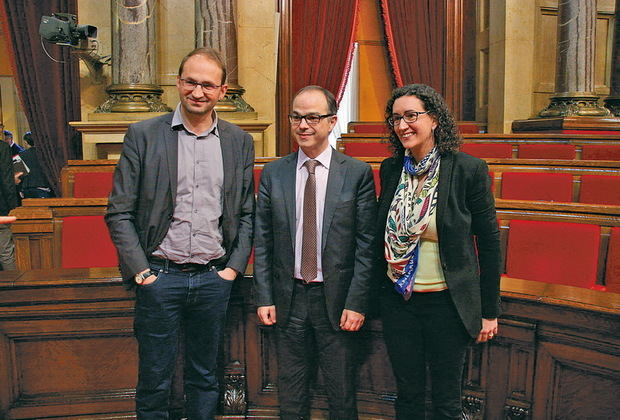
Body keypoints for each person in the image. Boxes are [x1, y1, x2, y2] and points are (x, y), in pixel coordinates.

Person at [105, 47, 255, 420]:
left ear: (222, 91)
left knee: (205, 377)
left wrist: (232, 270)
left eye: (208, 84)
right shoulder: (143, 135)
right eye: (191, 82)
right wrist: (143, 272)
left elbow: (248, 213)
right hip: (160, 277)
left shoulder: (238, 141)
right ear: (178, 82)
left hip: (213, 279)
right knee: (154, 380)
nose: (198, 92)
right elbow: (119, 212)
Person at [376, 84, 501, 419]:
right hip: (399, 303)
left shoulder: (466, 170)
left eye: (411, 116)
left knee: (447, 401)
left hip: (447, 304)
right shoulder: (392, 169)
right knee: (408, 396)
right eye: (395, 119)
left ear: (434, 119)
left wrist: (489, 310)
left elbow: (488, 244)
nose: (402, 125)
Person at [253, 85, 377, 420]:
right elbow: (262, 240)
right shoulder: (274, 173)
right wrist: (264, 296)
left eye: (312, 117)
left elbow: (367, 246)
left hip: (335, 302)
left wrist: (356, 302)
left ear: (332, 121)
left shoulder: (356, 173)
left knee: (340, 393)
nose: (303, 125)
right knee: (291, 393)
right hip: (289, 297)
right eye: (296, 117)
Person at [0, 141, 18, 270]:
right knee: (6, 252)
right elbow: (7, 180)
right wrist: (14, 208)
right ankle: (11, 287)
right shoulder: (2, 147)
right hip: (1, 207)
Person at [18, 132, 54, 198]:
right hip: (42, 187)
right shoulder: (45, 154)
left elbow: (20, 174)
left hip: (27, 188)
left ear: (26, 142)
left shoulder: (21, 155)